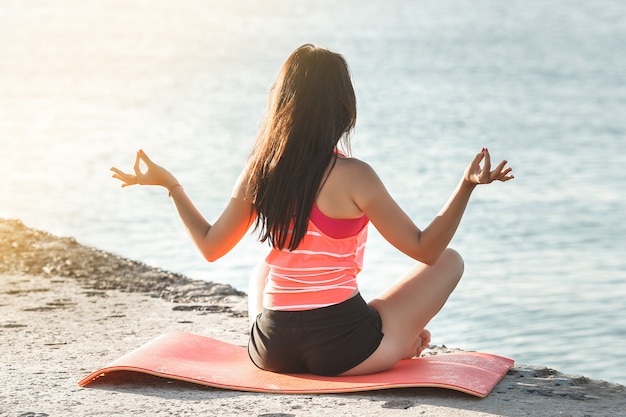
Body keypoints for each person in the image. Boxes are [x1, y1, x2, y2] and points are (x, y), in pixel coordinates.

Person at [110, 43, 513, 377]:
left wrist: (172, 186)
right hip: (344, 351)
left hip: (271, 351)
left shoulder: (260, 170)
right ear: (343, 109)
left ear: (282, 105)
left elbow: (211, 247)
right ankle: (400, 343)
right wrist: (465, 186)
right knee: (450, 261)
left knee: (263, 270)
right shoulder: (356, 175)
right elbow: (425, 249)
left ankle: (394, 340)